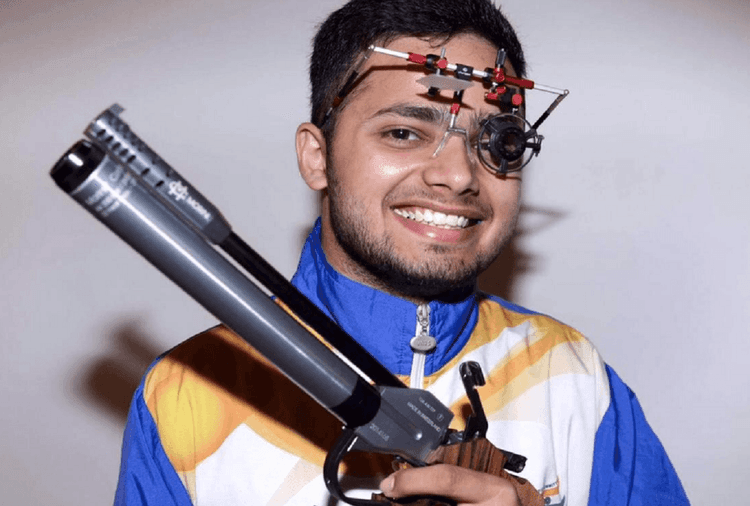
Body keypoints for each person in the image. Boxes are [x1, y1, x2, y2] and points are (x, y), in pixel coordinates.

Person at [114, 0, 689, 504]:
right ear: (317, 157)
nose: (458, 175)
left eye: (500, 142)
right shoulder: (186, 391)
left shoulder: (575, 377)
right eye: (404, 133)